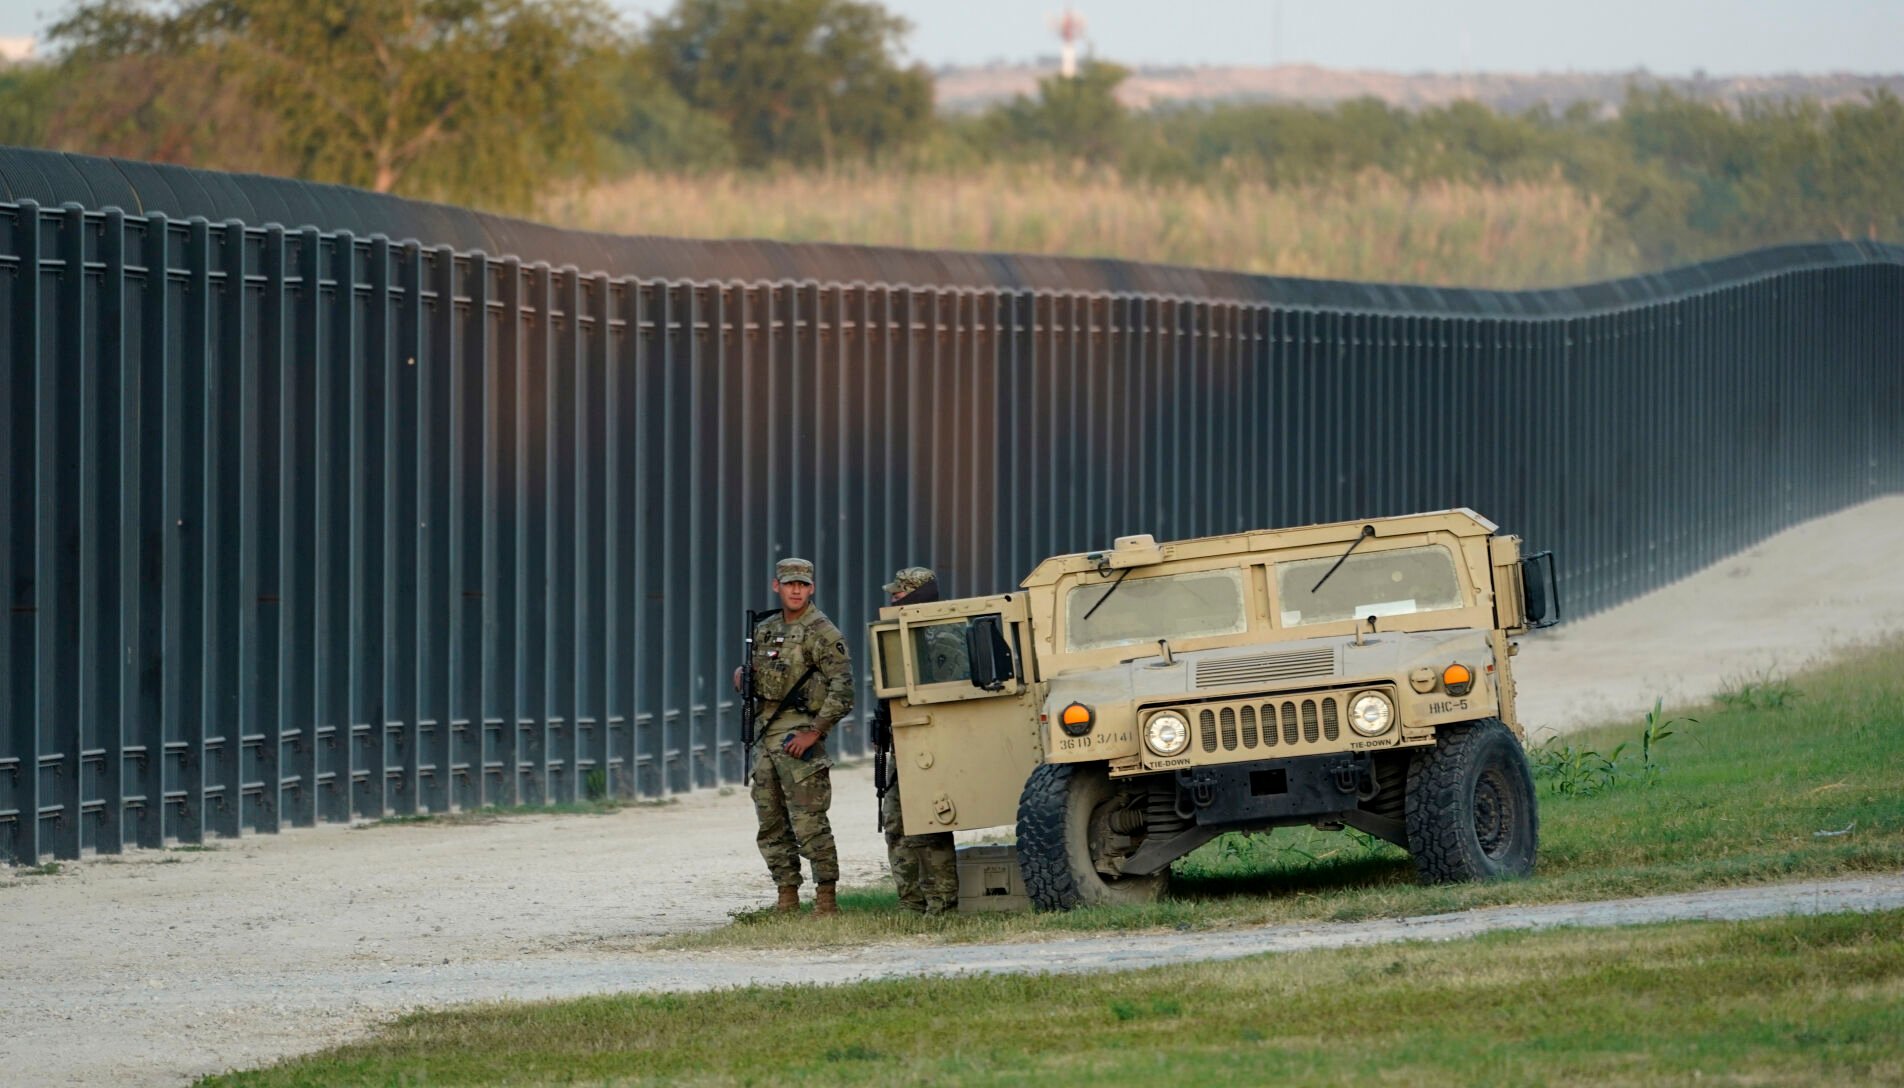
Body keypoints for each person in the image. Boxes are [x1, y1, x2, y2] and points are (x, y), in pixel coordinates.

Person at [739, 557, 854, 916]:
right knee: (770, 821)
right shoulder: (765, 628)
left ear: (811, 588)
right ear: (777, 586)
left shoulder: (823, 632)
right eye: (789, 584)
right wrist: (744, 678)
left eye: (802, 585)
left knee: (809, 821)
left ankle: (826, 899)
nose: (795, 590)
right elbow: (762, 674)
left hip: (800, 735)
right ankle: (786, 895)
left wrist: (815, 731)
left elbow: (844, 689)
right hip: (767, 733)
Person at [875, 566, 961, 915]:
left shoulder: (944, 637)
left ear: (916, 595)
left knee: (930, 824)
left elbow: (947, 694)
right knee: (896, 823)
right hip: (904, 742)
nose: (893, 597)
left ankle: (943, 904)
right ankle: (911, 904)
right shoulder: (899, 636)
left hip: (930, 744)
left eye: (900, 593)